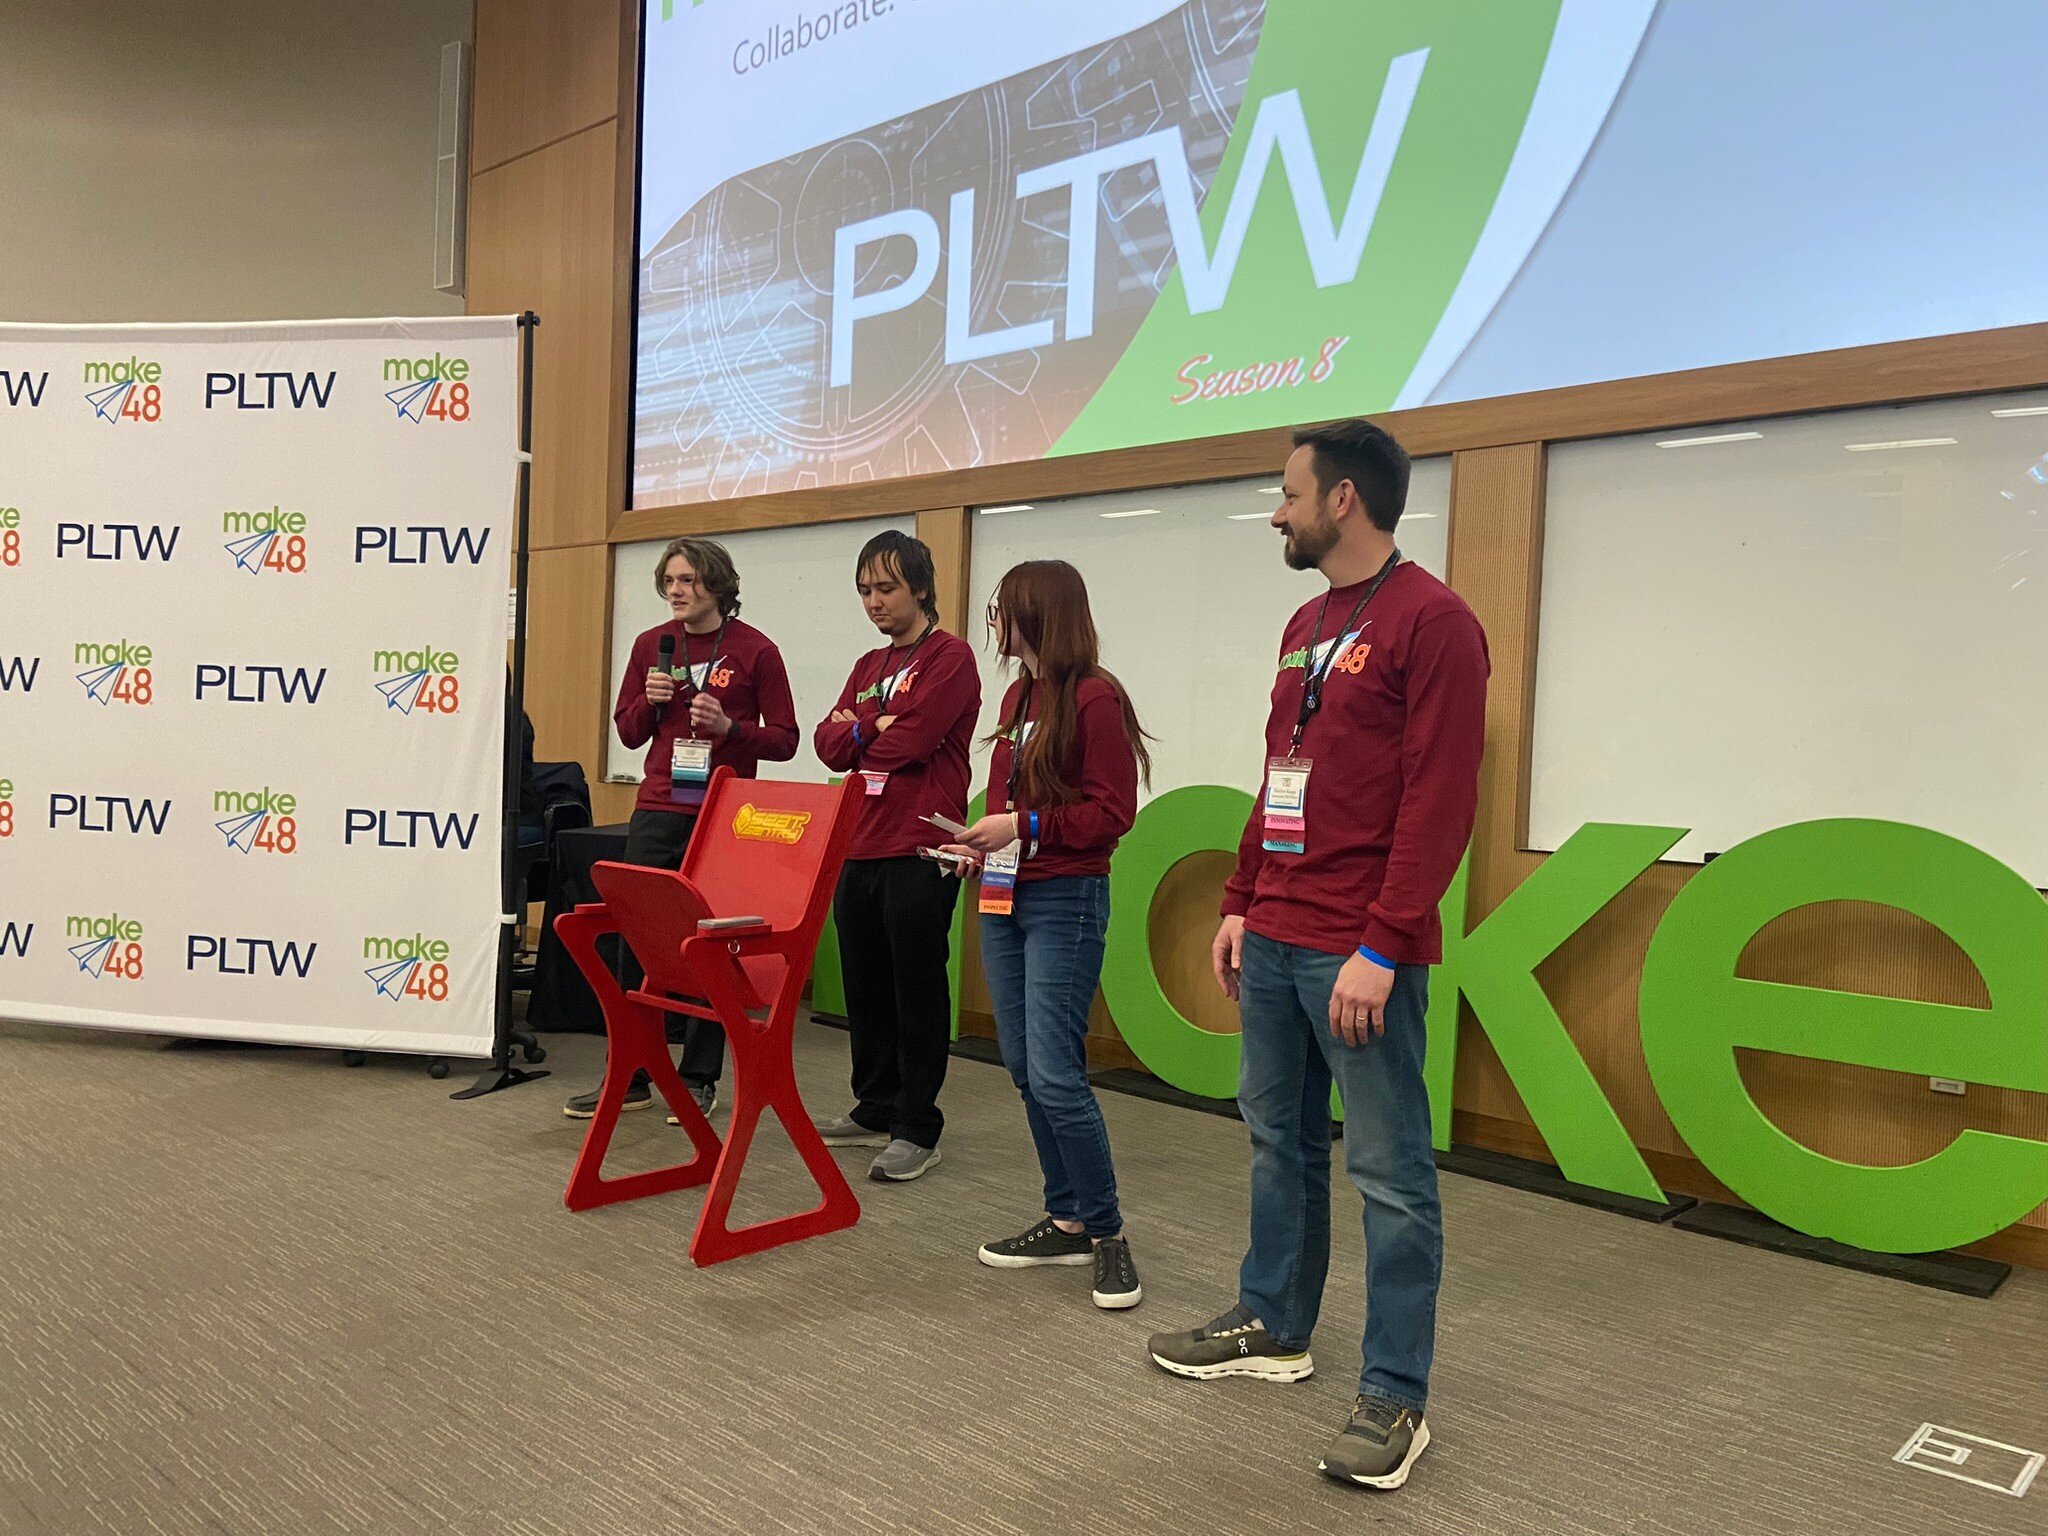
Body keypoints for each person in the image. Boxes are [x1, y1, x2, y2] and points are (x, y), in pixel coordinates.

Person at [1145, 420, 1489, 1492]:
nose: (1274, 510)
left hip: (1357, 945)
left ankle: (1394, 1392)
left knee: (1387, 1174)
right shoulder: (1305, 620)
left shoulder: (1434, 622)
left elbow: (1441, 798)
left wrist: (1383, 946)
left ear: (1342, 499)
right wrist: (1241, 896)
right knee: (1275, 1142)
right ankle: (1275, 1322)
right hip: (1278, 927)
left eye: (1286, 493)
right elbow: (1277, 772)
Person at [940, 560, 1149, 1310]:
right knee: (1026, 1067)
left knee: (1059, 1074)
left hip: (1067, 899)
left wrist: (1021, 827)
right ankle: (1065, 1215)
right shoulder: (1018, 693)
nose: (994, 622)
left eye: (1004, 610)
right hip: (1008, 895)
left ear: (1040, 613)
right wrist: (981, 846)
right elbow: (1013, 801)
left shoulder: (1095, 696)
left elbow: (1111, 814)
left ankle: (1107, 1233)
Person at [561, 536, 797, 1121]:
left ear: (716, 583)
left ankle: (698, 1076)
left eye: (687, 580)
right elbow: (629, 733)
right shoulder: (651, 647)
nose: (676, 591)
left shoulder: (756, 650)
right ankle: (635, 1071)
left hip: (724, 818)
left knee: (708, 944)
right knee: (634, 937)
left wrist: (731, 728)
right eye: (669, 581)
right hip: (659, 807)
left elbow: (787, 740)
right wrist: (646, 698)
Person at [811, 530, 980, 1183]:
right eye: (865, 591)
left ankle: (918, 1124)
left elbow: (911, 743)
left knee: (916, 988)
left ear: (920, 587)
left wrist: (869, 731)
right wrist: (864, 728)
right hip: (860, 838)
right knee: (867, 985)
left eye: (886, 588)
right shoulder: (868, 665)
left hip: (922, 843)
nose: (875, 602)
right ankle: (874, 1105)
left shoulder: (950, 658)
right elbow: (828, 747)